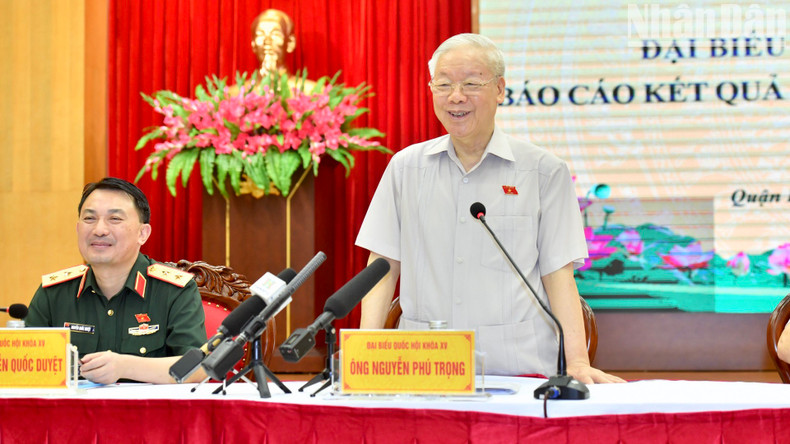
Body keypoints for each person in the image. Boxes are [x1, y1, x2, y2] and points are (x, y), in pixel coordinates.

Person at [355, 33, 624, 383]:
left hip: (516, 369)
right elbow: (382, 265)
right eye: (444, 84)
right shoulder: (406, 168)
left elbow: (558, 274)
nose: (456, 96)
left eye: (471, 83)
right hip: (425, 365)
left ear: (499, 89)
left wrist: (576, 362)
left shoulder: (543, 172)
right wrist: (366, 353)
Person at [25, 177, 207, 384]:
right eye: (89, 218)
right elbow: (25, 365)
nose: (99, 230)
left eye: (115, 219)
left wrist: (125, 366)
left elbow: (197, 368)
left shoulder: (174, 290)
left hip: (146, 405)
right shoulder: (54, 292)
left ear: (143, 233)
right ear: (78, 229)